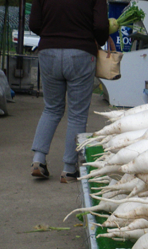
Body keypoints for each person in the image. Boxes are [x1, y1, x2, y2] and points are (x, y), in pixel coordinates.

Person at [29, 0, 109, 183]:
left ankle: (38, 160)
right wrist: (99, 40)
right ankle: (69, 169)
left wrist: (53, 35)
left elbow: (34, 23)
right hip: (81, 53)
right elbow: (101, 25)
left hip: (48, 51)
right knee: (77, 115)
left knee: (51, 108)